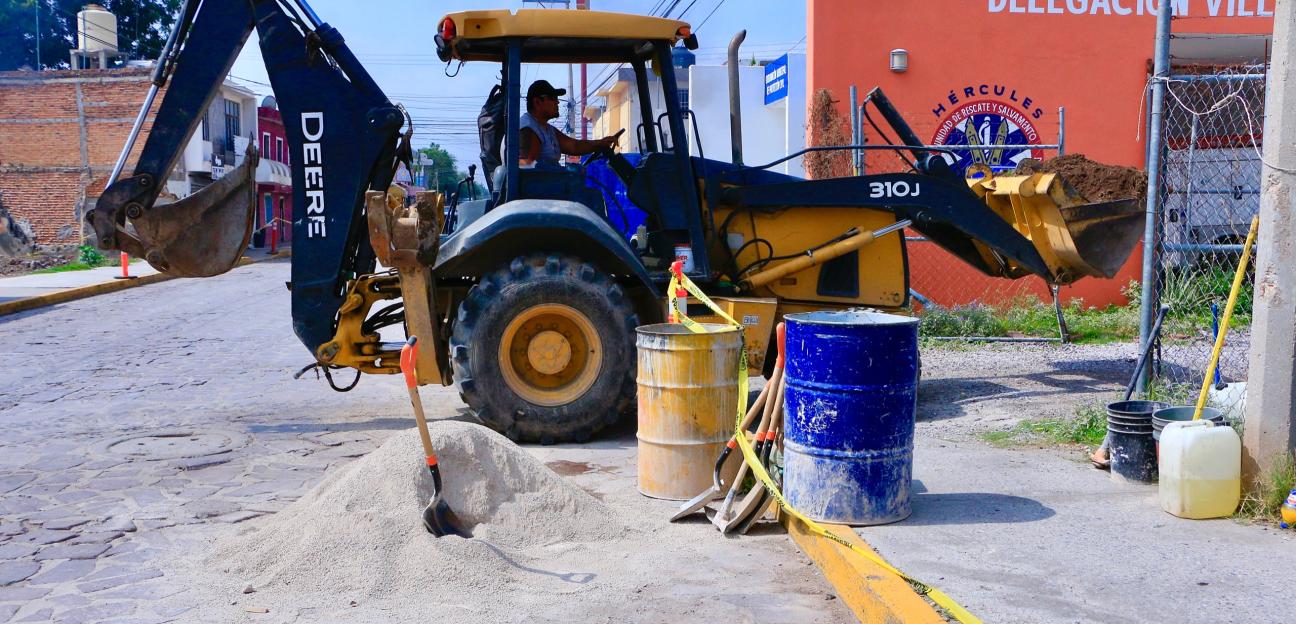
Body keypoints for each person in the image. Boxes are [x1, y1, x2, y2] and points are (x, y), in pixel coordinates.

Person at [518, 80, 618, 166]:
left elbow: (574, 146)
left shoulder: (547, 129)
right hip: (541, 187)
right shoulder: (528, 129)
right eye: (552, 98)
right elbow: (528, 169)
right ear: (537, 102)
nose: (557, 102)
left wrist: (600, 143)